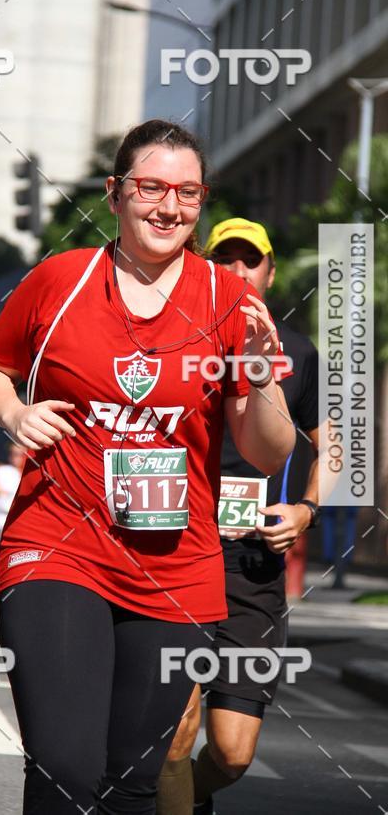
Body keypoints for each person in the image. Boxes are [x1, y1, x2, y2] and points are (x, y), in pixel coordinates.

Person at [0, 120, 295, 815]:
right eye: (150, 187)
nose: (169, 207)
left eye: (187, 192)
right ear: (115, 194)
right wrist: (14, 414)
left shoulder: (227, 301)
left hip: (176, 569)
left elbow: (268, 450)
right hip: (58, 548)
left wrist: (262, 378)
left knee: (133, 783)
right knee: (64, 767)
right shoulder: (61, 279)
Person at [156, 217, 321, 815]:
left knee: (231, 753)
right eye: (224, 258)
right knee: (177, 723)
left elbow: (336, 447)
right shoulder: (175, 338)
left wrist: (305, 510)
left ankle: (171, 800)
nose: (237, 271)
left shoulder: (300, 353)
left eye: (250, 260)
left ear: (271, 273)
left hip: (252, 565)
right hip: (174, 552)